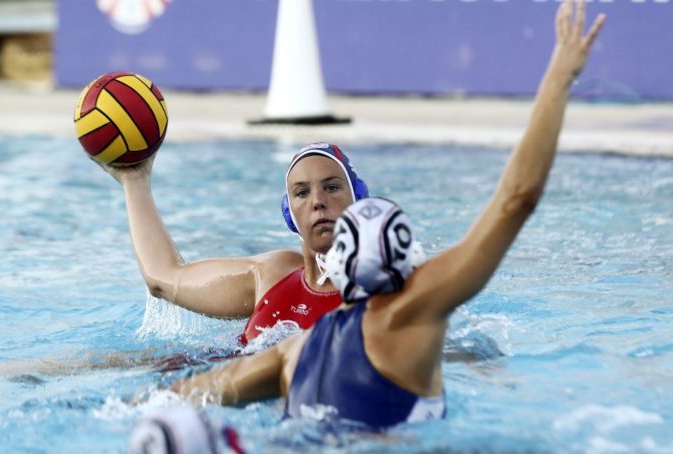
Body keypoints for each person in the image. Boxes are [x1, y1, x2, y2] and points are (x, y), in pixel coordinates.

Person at [159, 0, 606, 428]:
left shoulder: (293, 351)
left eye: (331, 188)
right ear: (410, 263)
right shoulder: (412, 315)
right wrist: (558, 79)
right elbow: (517, 198)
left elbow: (182, 395)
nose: (318, 202)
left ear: (340, 264)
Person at [99, 142, 369, 346]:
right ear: (289, 213)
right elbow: (163, 277)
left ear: (358, 198)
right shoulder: (272, 275)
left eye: (331, 187)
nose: (318, 201)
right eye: (302, 192)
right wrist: (134, 180)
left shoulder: (378, 291)